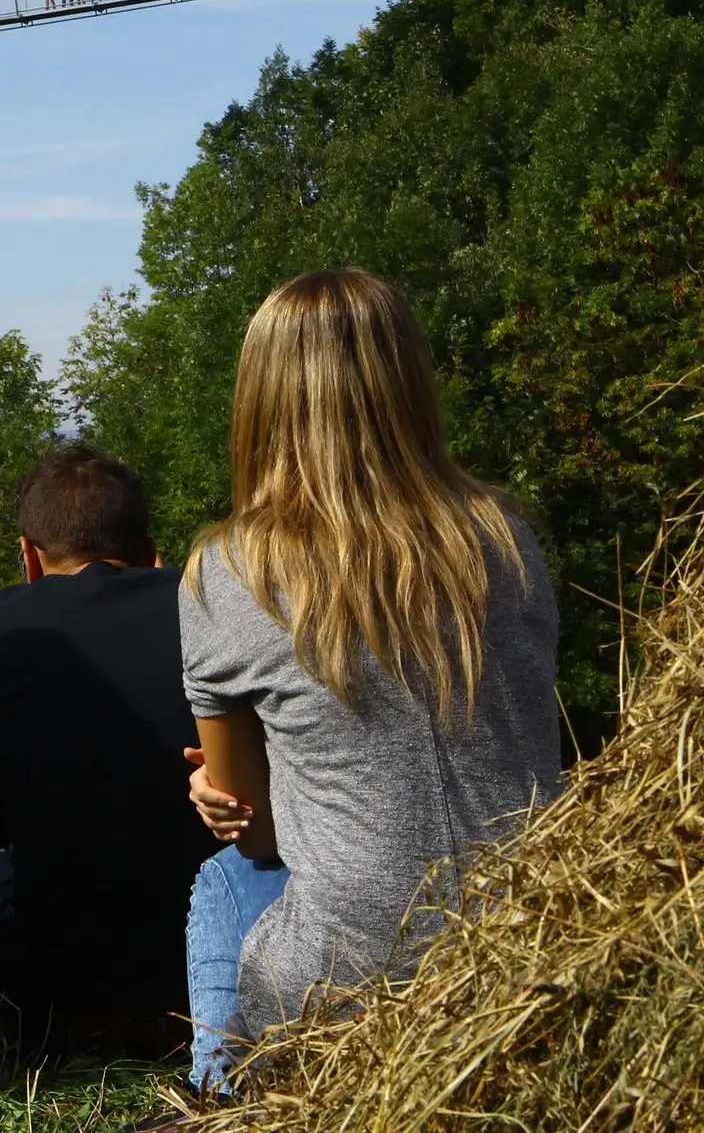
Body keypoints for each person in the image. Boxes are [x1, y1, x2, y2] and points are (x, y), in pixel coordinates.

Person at [179, 269, 559, 1095]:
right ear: (410, 386)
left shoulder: (229, 573)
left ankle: (221, 1093)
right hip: (545, 962)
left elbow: (258, 835)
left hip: (350, 1003)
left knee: (224, 876)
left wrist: (217, 784)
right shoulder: (509, 540)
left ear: (262, 402)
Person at [0, 445, 217, 1055]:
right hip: (207, 961)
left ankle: (28, 1023)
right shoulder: (214, 608)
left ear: (29, 557)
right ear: (149, 553)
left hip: (49, 982)